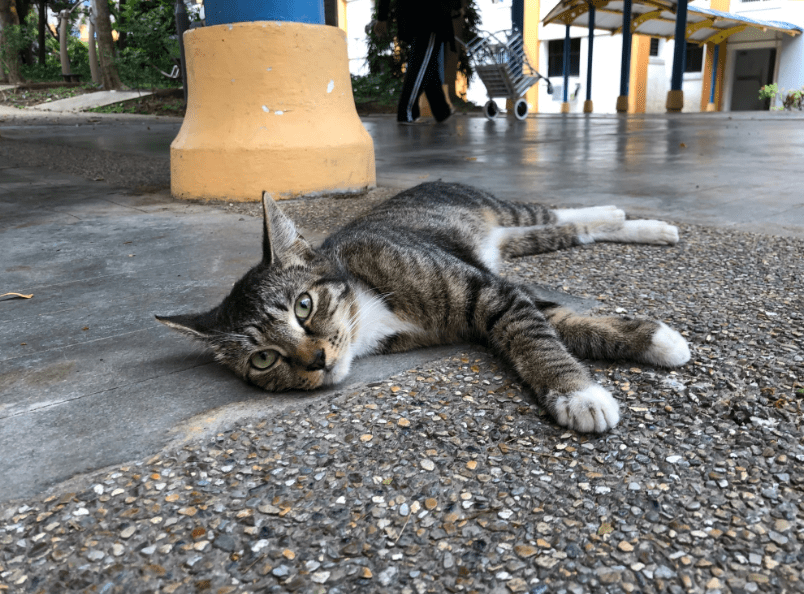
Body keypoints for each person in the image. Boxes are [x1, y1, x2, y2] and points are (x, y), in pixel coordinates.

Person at [374, 0, 462, 124]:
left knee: (427, 63)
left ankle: (441, 110)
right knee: (421, 63)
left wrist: (382, 17)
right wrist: (457, 6)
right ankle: (406, 112)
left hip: (412, 16)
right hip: (430, 15)